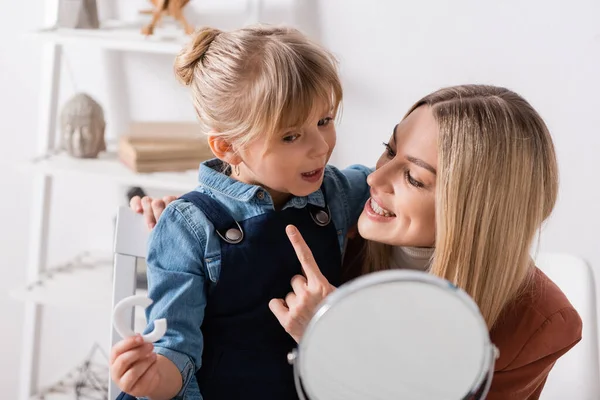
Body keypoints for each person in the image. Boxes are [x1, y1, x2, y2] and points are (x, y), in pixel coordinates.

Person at [136, 84, 583, 399]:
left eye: (412, 176)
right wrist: (190, 217)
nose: (374, 177)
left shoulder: (541, 323)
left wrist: (337, 341)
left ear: (478, 211)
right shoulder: (332, 232)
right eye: (388, 150)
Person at [110, 24, 371, 400]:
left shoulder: (336, 191)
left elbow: (393, 185)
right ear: (228, 148)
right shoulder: (189, 227)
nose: (321, 147)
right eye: (291, 136)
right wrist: (153, 380)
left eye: (324, 121)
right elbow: (175, 347)